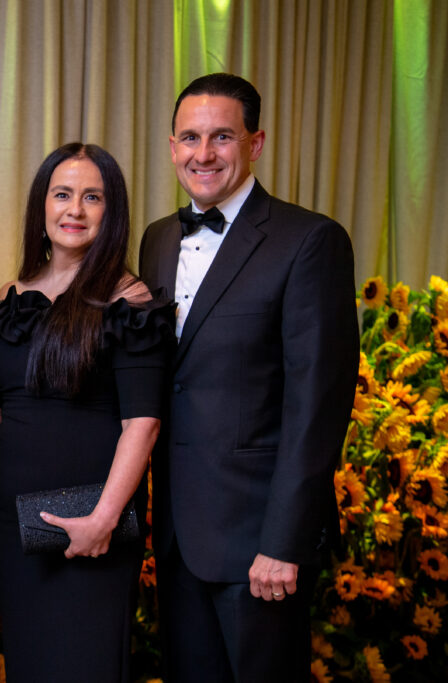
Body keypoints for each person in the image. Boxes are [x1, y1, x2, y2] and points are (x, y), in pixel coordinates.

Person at [138, 73, 358, 682]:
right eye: (189, 137)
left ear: (255, 143)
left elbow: (319, 406)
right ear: (172, 144)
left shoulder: (309, 241)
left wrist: (284, 541)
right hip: (180, 536)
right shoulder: (157, 239)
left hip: (261, 540)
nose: (202, 154)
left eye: (222, 137)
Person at [0, 143, 174, 682]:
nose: (74, 210)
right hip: (17, 525)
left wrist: (102, 521)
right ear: (42, 206)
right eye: (62, 195)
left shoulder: (128, 300)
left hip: (91, 525)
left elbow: (143, 423)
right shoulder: (11, 294)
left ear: (112, 212)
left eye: (92, 197)